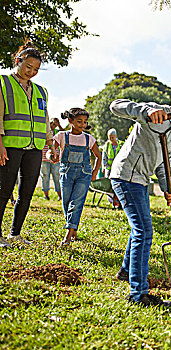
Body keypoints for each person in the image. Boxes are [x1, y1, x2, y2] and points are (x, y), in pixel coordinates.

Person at [109, 84, 171, 308]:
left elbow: (163, 165)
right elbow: (116, 106)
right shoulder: (155, 111)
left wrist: (168, 188)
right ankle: (138, 293)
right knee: (143, 230)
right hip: (125, 176)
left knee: (139, 228)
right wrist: (145, 112)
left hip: (141, 179)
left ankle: (126, 271)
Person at [0, 40, 58, 248]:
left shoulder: (41, 91)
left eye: (35, 69)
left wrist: (50, 143)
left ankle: (15, 233)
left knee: (27, 192)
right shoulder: (3, 83)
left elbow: (45, 118)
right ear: (18, 61)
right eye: (28, 67)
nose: (31, 72)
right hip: (10, 146)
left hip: (34, 148)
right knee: (4, 191)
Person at [53, 108, 101, 246]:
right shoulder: (62, 136)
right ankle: (73, 230)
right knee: (66, 203)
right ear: (70, 121)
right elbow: (53, 152)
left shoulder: (88, 138)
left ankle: (68, 236)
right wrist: (53, 157)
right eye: (79, 121)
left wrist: (94, 173)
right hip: (66, 173)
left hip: (83, 175)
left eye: (85, 122)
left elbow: (98, 156)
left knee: (76, 203)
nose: (83, 125)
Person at [40, 118, 63, 200]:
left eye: (55, 124)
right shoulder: (44, 130)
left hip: (55, 158)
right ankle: (46, 195)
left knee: (57, 176)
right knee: (45, 176)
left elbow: (64, 134)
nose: (54, 126)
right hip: (44, 158)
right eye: (53, 124)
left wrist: (59, 125)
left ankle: (60, 195)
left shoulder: (57, 132)